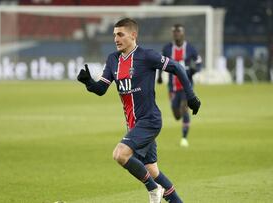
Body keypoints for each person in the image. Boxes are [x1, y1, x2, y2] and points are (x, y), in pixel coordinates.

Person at [77, 18, 201, 203]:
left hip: (150, 121)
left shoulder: (147, 56)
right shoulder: (113, 59)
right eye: (114, 35)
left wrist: (191, 96)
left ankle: (152, 189)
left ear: (133, 35)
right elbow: (101, 89)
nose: (116, 39)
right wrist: (88, 82)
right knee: (152, 170)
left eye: (120, 34)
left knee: (120, 154)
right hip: (133, 125)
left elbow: (177, 67)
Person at [157, 24, 203, 147]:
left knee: (184, 108)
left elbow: (198, 62)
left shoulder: (190, 48)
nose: (177, 34)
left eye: (179, 31)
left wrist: (195, 70)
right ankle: (184, 118)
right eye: (174, 32)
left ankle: (184, 137)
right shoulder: (167, 48)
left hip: (186, 87)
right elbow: (159, 61)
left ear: (183, 33)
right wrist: (159, 76)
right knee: (177, 115)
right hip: (172, 88)